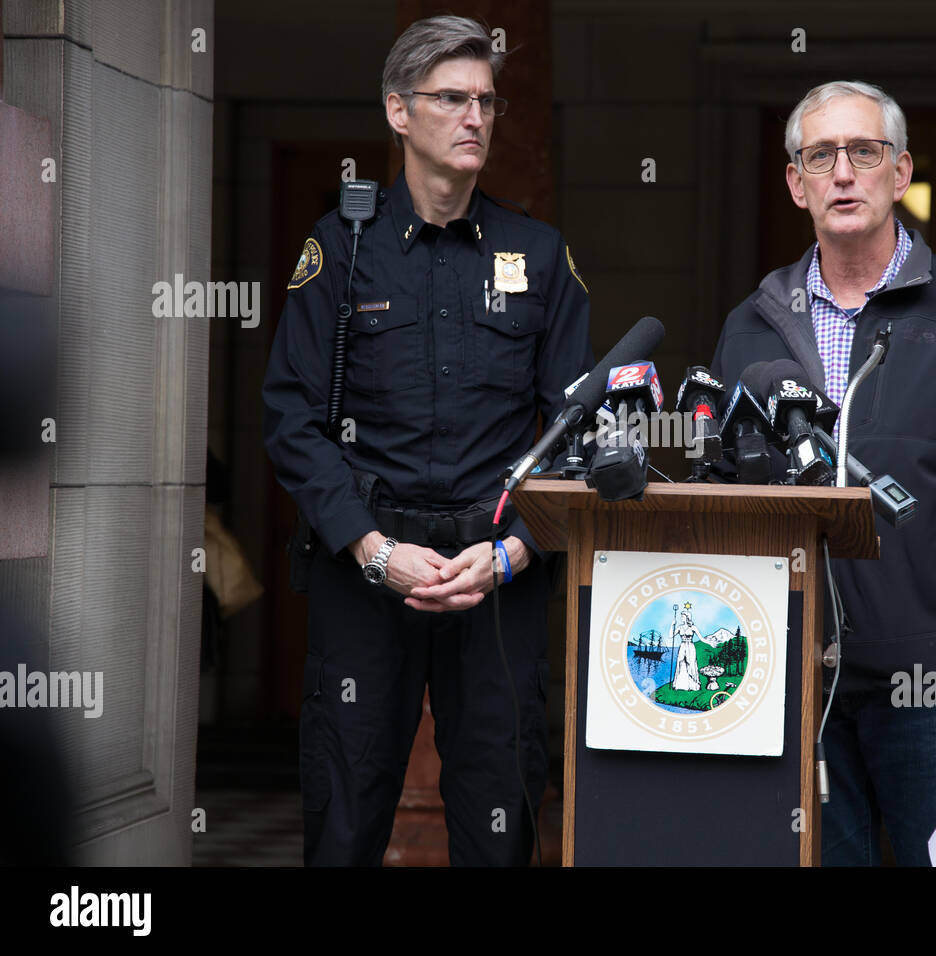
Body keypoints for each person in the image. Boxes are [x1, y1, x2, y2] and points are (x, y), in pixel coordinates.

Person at [709, 81, 936, 866]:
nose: (842, 173)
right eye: (820, 155)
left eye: (864, 152)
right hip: (792, 685)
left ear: (902, 171)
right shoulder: (749, 326)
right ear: (795, 181)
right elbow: (723, 506)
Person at [262, 15, 592, 866]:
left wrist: (516, 552)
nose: (476, 117)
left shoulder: (539, 254)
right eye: (452, 99)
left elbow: (574, 433)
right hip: (367, 569)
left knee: (501, 811)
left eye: (486, 100)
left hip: (496, 575)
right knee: (345, 810)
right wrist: (372, 550)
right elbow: (291, 418)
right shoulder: (339, 249)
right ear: (399, 112)